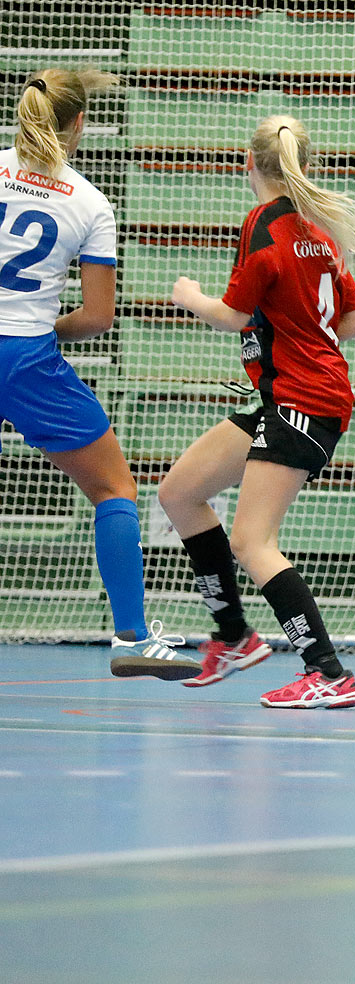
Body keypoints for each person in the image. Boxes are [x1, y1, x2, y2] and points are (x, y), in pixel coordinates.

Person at [157, 115, 355, 709]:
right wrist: (297, 323)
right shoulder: (318, 232)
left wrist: (190, 297)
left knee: (254, 541)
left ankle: (326, 672)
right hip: (284, 398)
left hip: (304, 401)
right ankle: (234, 637)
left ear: (247, 165)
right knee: (179, 492)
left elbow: (229, 313)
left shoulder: (264, 224)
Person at [0, 69, 198, 679]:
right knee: (114, 489)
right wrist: (43, 329)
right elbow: (98, 316)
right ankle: (132, 637)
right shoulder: (90, 203)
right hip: (26, 357)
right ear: (79, 124)